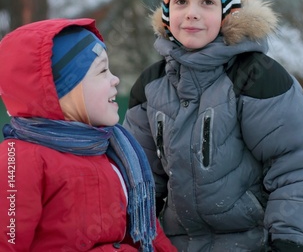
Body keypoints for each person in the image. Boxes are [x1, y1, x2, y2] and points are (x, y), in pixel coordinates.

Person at [123, 0, 303, 252]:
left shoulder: (256, 75)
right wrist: (135, 232)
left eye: (206, 2)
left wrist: (289, 240)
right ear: (167, 13)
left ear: (227, 11)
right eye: (181, 2)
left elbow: (296, 163)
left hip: (252, 242)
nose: (192, 12)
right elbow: (140, 175)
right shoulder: (152, 86)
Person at [0, 17, 177, 252]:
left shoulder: (115, 151)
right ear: (64, 90)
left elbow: (148, 234)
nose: (115, 80)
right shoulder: (19, 160)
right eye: (102, 70)